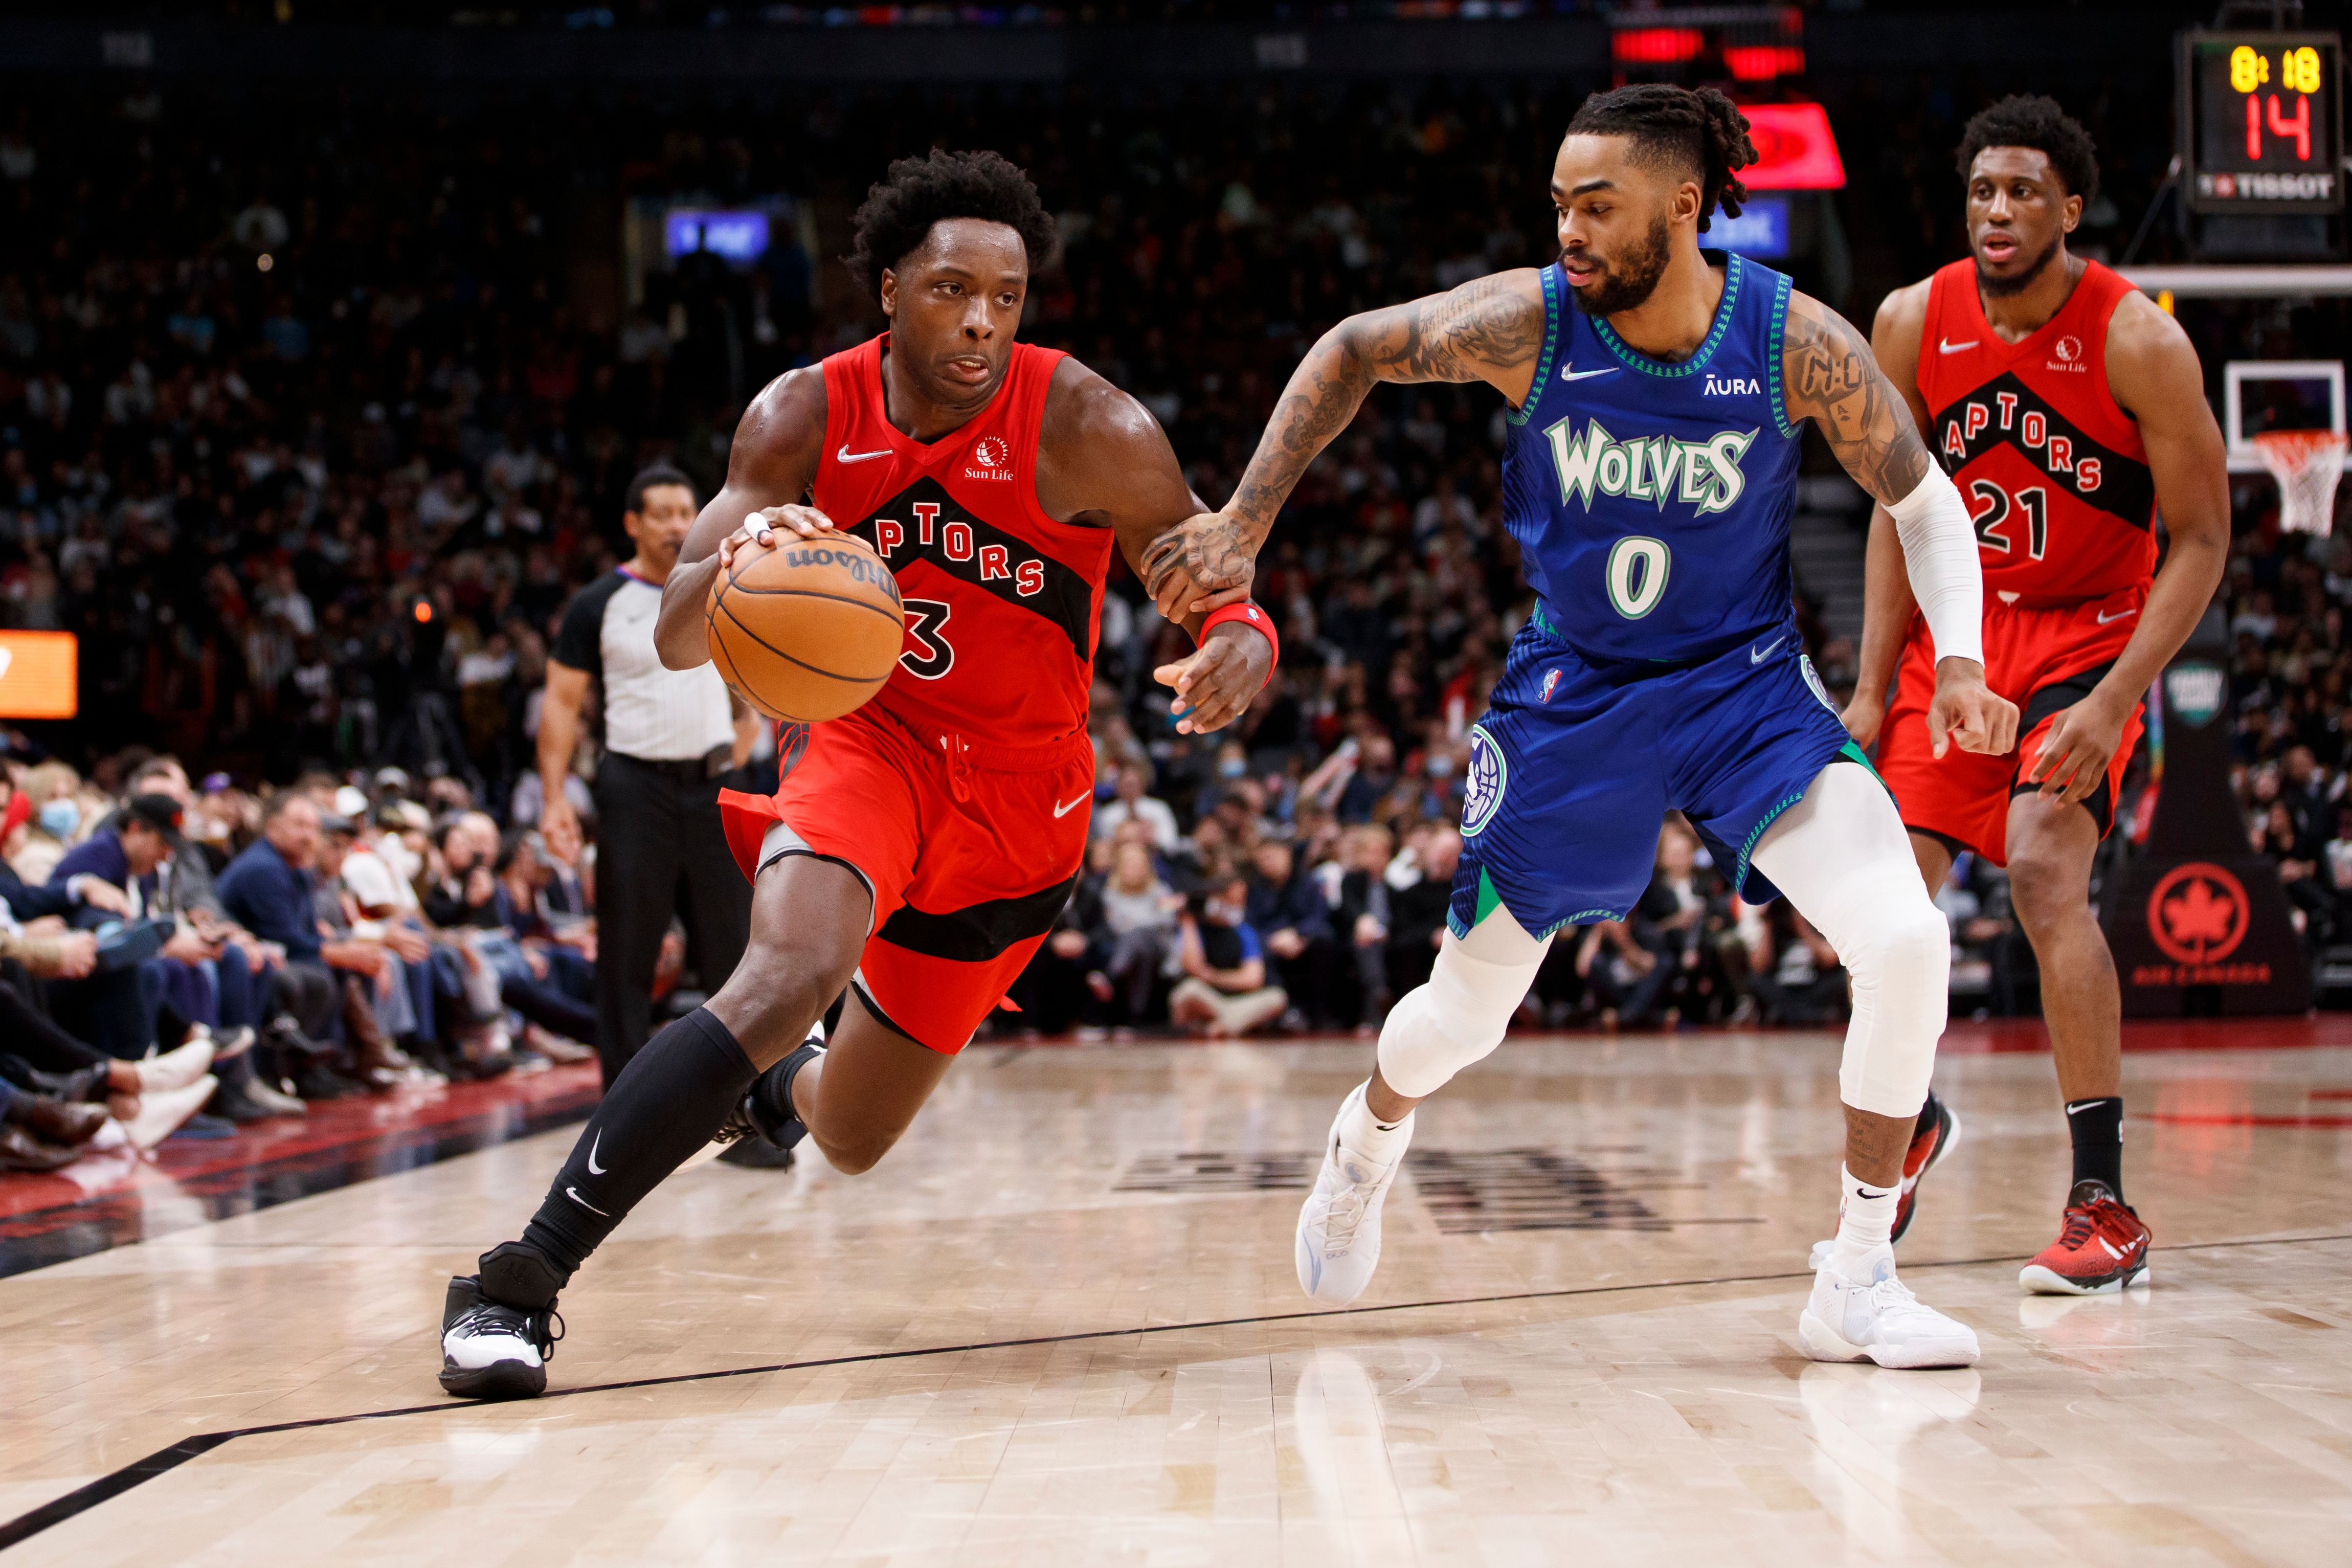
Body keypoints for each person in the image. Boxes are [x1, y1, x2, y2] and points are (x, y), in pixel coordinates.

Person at [1155, 85, 2014, 1369]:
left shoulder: (1792, 340)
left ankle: (1858, 1272)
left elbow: (1928, 502)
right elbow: (1349, 349)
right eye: (1559, 202)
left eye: (1597, 207)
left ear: (1682, 205)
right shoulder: (1529, 324)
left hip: (1743, 692)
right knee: (1464, 1018)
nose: (1568, 229)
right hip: (1577, 699)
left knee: (1903, 939)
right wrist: (1241, 521)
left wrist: (1960, 659)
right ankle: (1368, 1138)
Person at [435, 148, 1273, 1399]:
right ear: (889, 288)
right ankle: (513, 1288)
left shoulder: (1087, 423)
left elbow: (1213, 586)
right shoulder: (803, 418)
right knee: (784, 972)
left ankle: (772, 1090)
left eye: (1007, 293)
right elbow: (671, 636)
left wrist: (1240, 647)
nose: (982, 317)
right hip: (863, 747)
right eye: (950, 288)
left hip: (1020, 807)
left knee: (853, 1135)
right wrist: (737, 566)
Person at [1843, 96, 2228, 1295]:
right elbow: (1896, 511)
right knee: (1884, 907)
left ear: (2071, 206)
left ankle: (2102, 1200)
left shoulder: (2139, 342)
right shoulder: (1911, 320)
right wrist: (1868, 687)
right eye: (1981, 193)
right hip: (1959, 635)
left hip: (2086, 630)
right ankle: (1907, 1123)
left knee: (2047, 867)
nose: (1998, 211)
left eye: (2022, 192)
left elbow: (2205, 541)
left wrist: (2115, 702)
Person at [540, 465, 754, 1089]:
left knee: (736, 956)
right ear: (633, 524)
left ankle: (742, 1111)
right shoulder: (597, 603)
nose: (677, 525)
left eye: (686, 511)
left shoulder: (730, 586)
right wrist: (554, 798)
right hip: (635, 789)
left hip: (715, 786)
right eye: (661, 513)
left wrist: (742, 739)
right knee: (626, 960)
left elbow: (757, 684)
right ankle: (623, 1118)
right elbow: (560, 704)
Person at [1169, 876, 1289, 1037]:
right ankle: (1229, 1026)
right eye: (1232, 900)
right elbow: (1193, 967)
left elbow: (1253, 979)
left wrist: (1213, 976)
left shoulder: (1244, 931)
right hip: (1206, 999)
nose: (1238, 905)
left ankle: (1220, 1027)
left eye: (1242, 900)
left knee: (1277, 997)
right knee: (1187, 991)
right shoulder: (1193, 928)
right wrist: (1187, 920)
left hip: (1236, 1001)